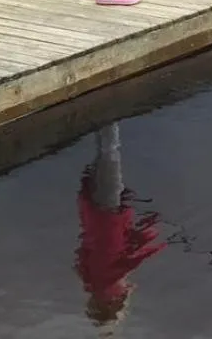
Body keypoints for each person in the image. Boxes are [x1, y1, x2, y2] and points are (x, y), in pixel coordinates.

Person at [75, 122, 166, 325]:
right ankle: (101, 118)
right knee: (102, 154)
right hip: (93, 210)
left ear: (115, 300)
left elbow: (138, 254)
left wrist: (159, 237)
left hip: (109, 209)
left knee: (111, 152)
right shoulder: (90, 277)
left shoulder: (113, 279)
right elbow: (125, 244)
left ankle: (109, 116)